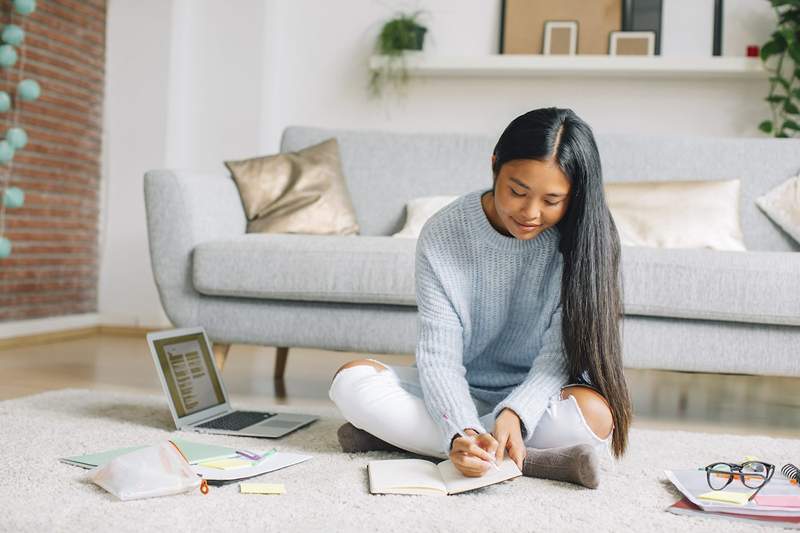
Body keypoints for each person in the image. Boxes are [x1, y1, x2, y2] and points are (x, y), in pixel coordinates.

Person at [328, 107, 632, 489]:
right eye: (517, 191)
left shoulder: (585, 240)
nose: (530, 212)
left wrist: (516, 413)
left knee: (595, 416)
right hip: (459, 390)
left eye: (552, 200)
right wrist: (460, 429)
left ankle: (411, 443)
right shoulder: (444, 233)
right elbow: (439, 358)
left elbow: (557, 358)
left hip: (540, 401)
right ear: (494, 167)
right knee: (351, 381)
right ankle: (524, 458)